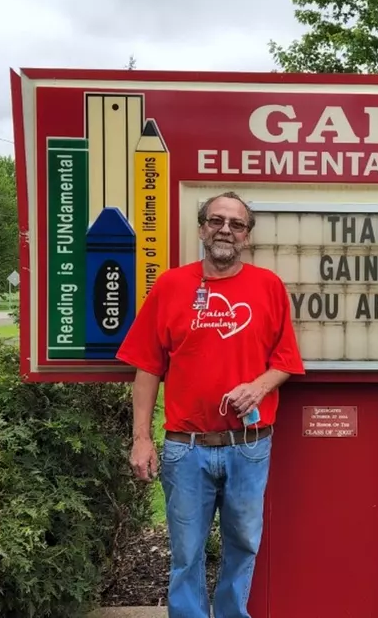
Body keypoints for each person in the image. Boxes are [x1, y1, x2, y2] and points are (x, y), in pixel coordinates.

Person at [115, 191, 305, 618]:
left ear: (247, 237)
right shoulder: (170, 286)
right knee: (186, 551)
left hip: (249, 445)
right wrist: (141, 439)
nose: (226, 230)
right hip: (186, 447)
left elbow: (287, 362)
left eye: (237, 224)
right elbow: (146, 368)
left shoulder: (268, 287)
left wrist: (259, 386)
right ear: (202, 228)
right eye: (217, 221)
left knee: (243, 544)